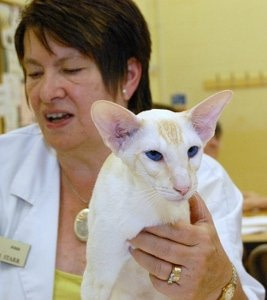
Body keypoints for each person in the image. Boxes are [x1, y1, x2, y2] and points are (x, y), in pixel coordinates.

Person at [0, 0, 264, 299]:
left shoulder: (206, 183)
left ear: (129, 76)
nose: (46, 92)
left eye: (71, 69)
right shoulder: (5, 165)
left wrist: (217, 283)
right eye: (34, 73)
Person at [204, 122, 267, 213]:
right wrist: (258, 202)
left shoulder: (209, 169)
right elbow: (217, 207)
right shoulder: (203, 167)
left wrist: (246, 195)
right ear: (213, 143)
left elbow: (222, 194)